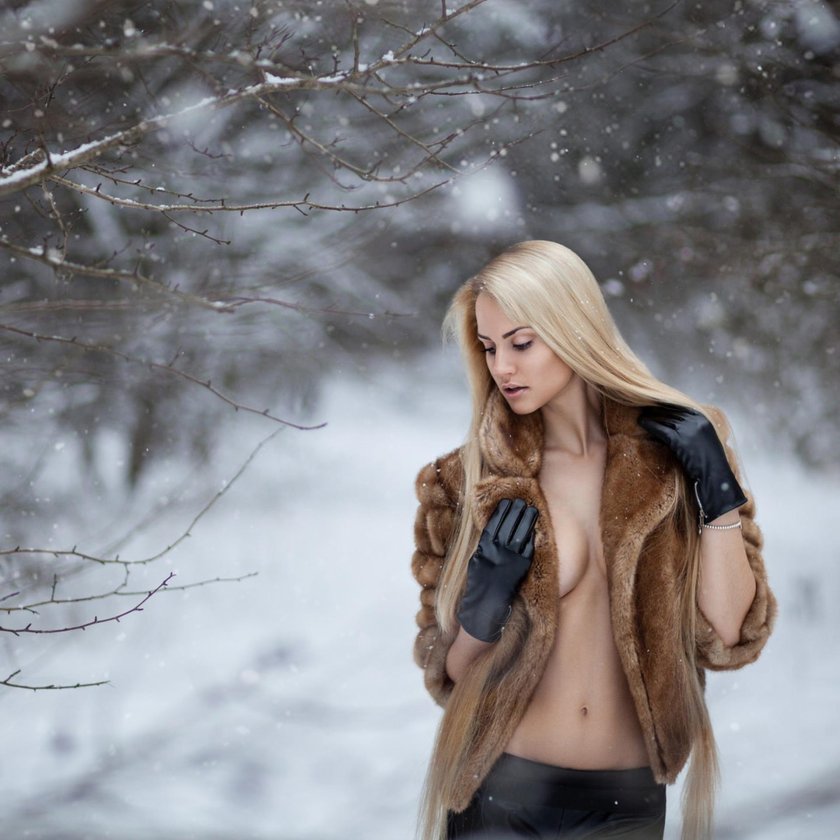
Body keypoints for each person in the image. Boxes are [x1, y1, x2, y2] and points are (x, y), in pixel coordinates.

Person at [410, 241, 776, 840]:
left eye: (521, 343)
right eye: (489, 347)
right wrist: (481, 609)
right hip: (498, 794)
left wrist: (718, 496)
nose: (503, 366)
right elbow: (450, 675)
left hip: (625, 805)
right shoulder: (466, 482)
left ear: (573, 327)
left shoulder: (677, 457)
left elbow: (730, 635)